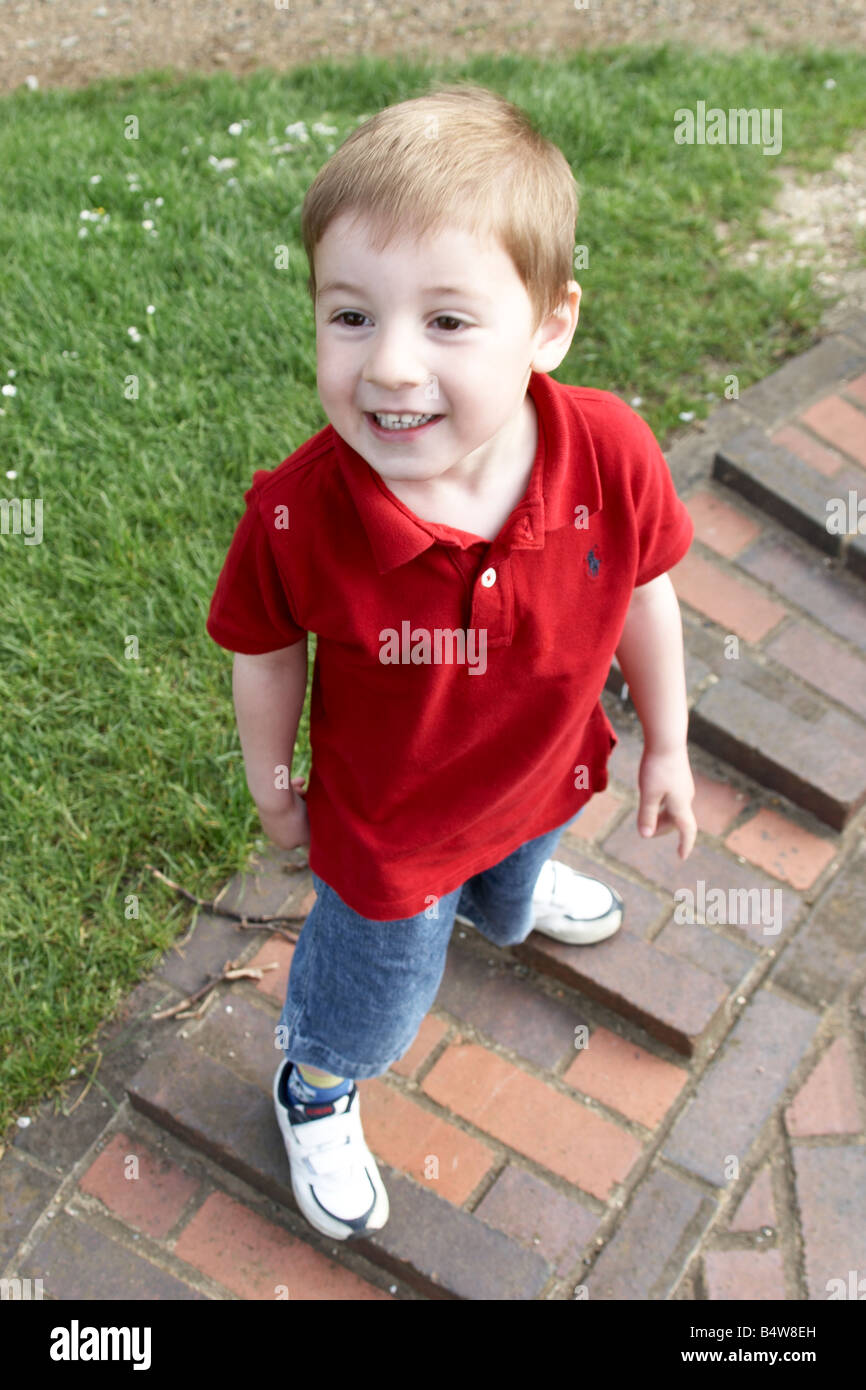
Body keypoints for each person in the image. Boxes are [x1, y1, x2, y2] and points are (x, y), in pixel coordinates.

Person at [206, 82, 698, 1244]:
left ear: (548, 326)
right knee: (368, 1001)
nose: (387, 367)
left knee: (515, 895)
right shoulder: (299, 515)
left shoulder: (608, 451)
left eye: (445, 321)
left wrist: (669, 740)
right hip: (390, 838)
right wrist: (273, 782)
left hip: (541, 778)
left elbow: (641, 585)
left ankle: (509, 886)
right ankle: (314, 1086)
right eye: (349, 315)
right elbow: (265, 649)